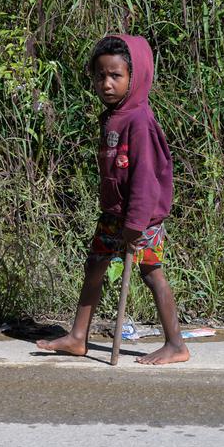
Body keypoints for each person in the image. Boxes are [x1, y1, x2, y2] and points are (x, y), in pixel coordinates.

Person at [37, 35, 189, 365]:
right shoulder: (112, 116)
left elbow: (145, 180)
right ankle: (78, 338)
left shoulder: (139, 120)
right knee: (94, 267)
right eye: (100, 75)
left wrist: (135, 224)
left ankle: (176, 344)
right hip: (113, 213)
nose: (106, 84)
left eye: (115, 76)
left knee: (151, 273)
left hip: (141, 217)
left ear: (135, 77)